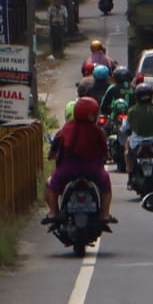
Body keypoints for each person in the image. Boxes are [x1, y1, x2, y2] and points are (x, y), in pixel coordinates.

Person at [43, 96, 115, 225]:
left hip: (67, 169)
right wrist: (106, 158)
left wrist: (51, 156)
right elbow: (104, 152)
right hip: (93, 170)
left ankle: (53, 212)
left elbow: (54, 148)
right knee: (106, 186)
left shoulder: (67, 128)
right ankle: (105, 214)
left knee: (52, 186)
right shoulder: (97, 131)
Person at [123, 83, 153, 177]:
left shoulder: (132, 110)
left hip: (136, 141)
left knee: (127, 149)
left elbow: (126, 127)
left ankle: (130, 171)